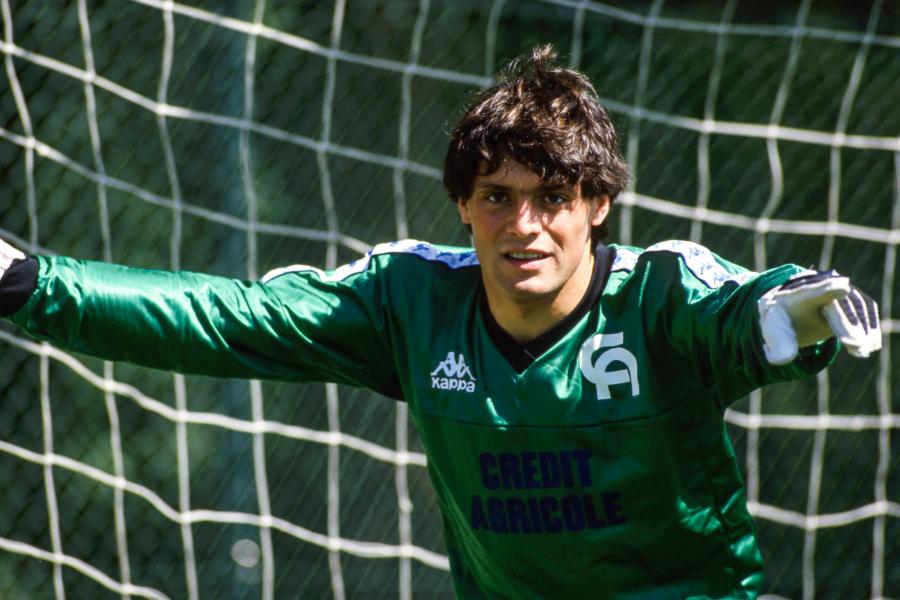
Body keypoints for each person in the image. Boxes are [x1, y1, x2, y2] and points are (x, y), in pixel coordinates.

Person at [0, 45, 881, 599]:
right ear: (462, 204)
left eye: (553, 197)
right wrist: (29, 282)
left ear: (598, 204)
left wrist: (789, 314)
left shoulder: (658, 295)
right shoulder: (411, 301)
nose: (524, 226)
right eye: (497, 197)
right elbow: (231, 318)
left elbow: (741, 313)